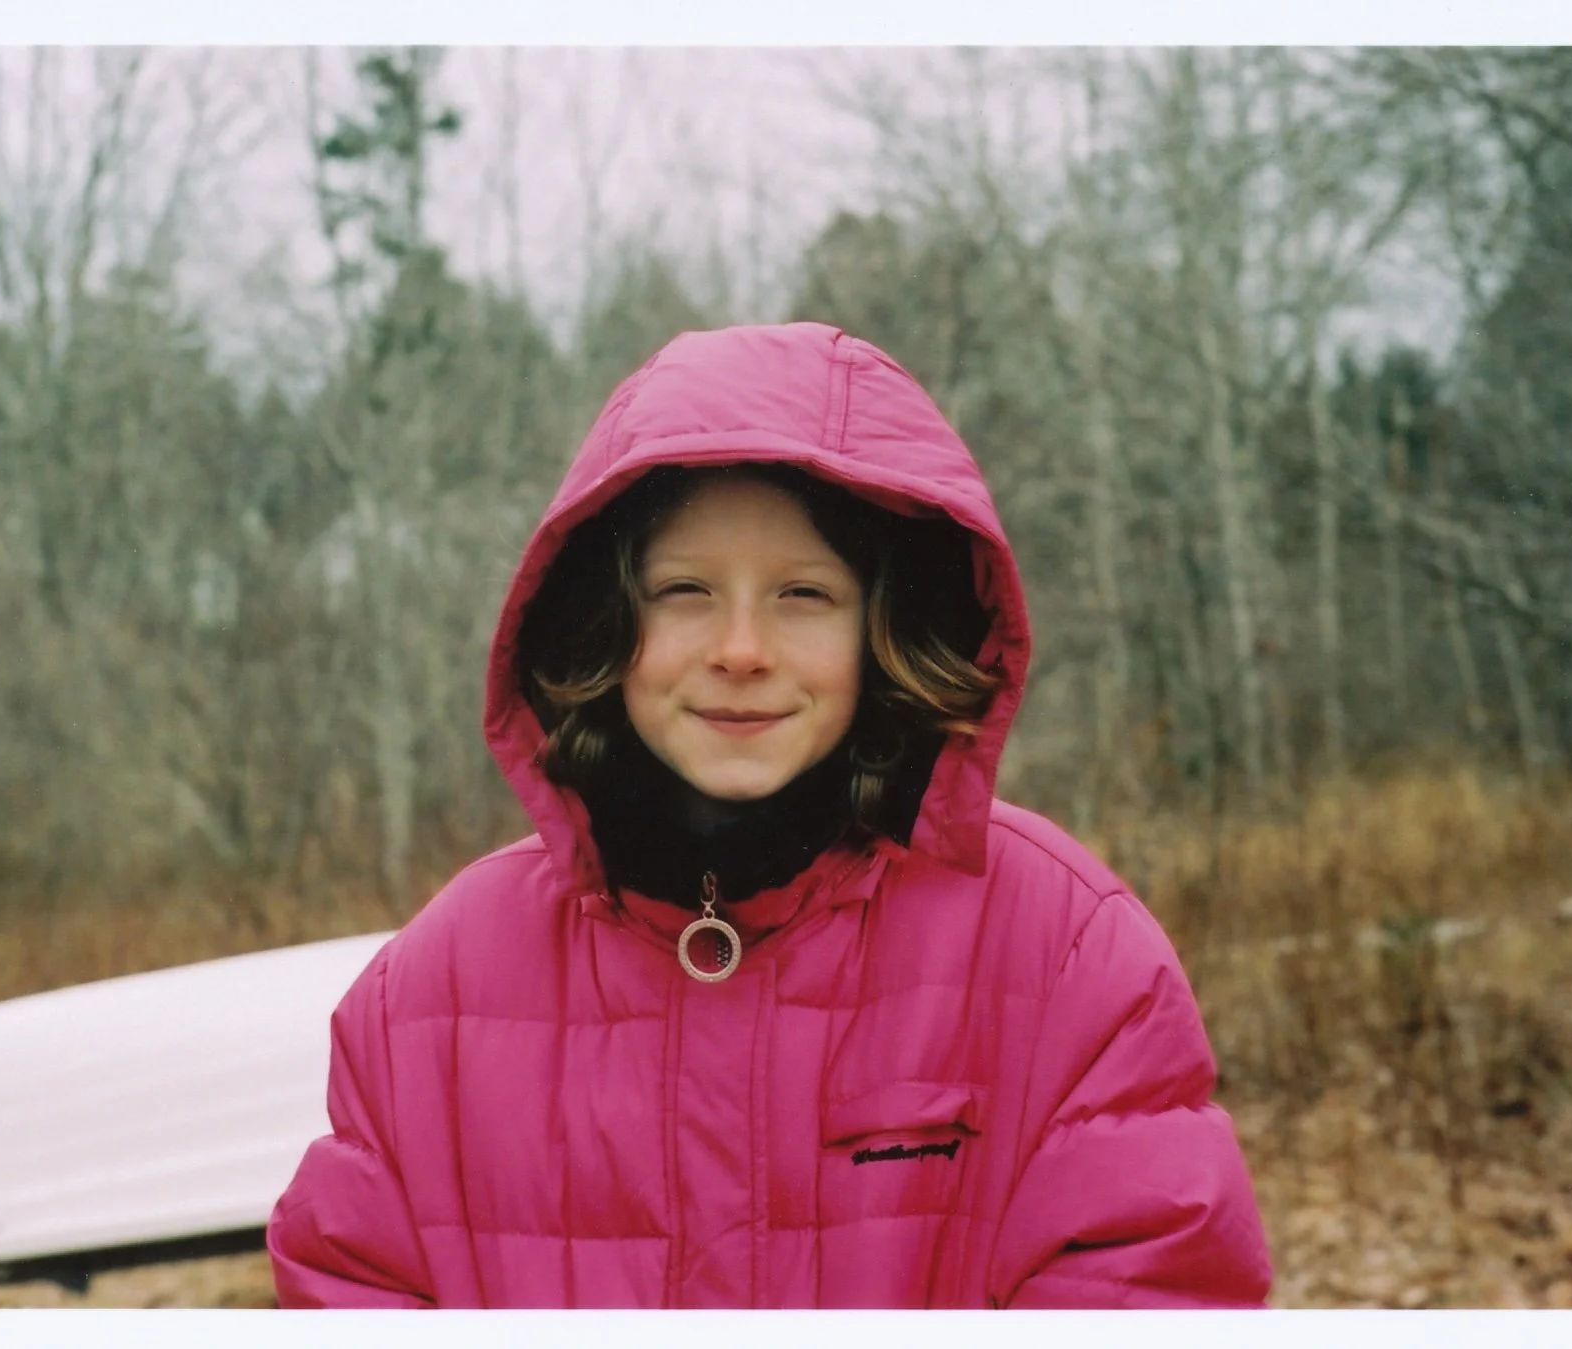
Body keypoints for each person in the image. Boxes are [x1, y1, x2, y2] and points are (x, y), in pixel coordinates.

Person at [267, 321, 1273, 1308]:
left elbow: (1153, 1284)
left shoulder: (1064, 949)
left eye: (803, 593)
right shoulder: (432, 989)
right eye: (684, 590)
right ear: (604, 619)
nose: (741, 647)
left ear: (887, 626)